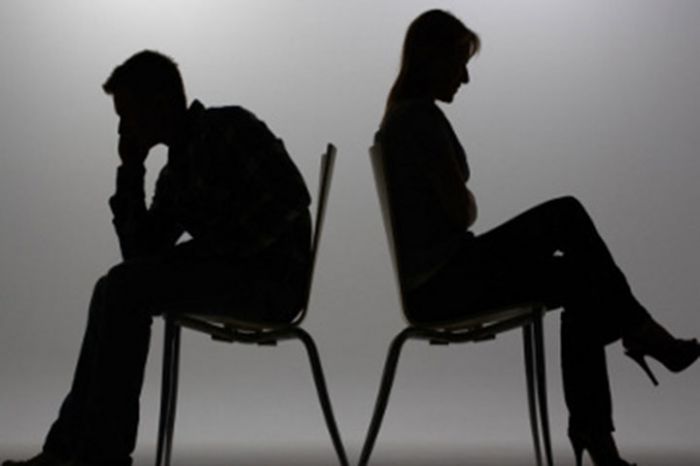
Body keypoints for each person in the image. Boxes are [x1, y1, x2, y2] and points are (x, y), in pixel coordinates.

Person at [375, 9, 700, 466]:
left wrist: (462, 200)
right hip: (445, 285)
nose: (465, 78)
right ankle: (636, 340)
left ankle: (599, 423)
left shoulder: (404, 117)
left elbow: (456, 206)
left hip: (443, 280)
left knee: (579, 278)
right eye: (459, 63)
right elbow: (462, 212)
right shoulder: (417, 120)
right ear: (433, 59)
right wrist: (465, 200)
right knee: (566, 214)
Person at [4, 50, 312, 466]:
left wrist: (209, 251)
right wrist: (131, 170)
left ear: (159, 102)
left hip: (270, 283)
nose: (123, 128)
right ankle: (67, 451)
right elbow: (140, 257)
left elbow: (291, 197)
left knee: (122, 287)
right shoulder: (176, 171)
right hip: (235, 274)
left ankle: (99, 456)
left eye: (127, 114)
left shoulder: (229, 128)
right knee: (114, 286)